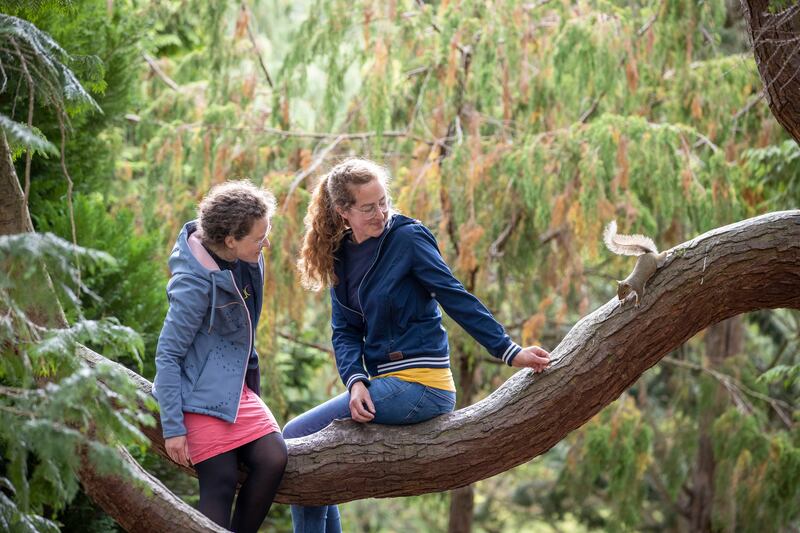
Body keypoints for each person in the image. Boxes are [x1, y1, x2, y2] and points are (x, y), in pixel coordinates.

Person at [287, 158, 551, 532]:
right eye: (368, 207)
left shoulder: (407, 237)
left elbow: (454, 295)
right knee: (303, 447)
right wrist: (356, 381)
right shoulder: (341, 256)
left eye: (383, 200)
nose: (381, 212)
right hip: (382, 384)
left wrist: (510, 351)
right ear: (342, 212)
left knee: (297, 439)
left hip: (423, 386)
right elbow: (344, 331)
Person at [152, 180, 287, 532]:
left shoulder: (249, 259)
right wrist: (173, 428)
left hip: (236, 391)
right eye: (259, 238)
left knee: (274, 458)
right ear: (230, 240)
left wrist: (252, 390)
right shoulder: (193, 284)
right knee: (222, 480)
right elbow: (167, 355)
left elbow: (244, 338)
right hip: (197, 396)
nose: (266, 243)